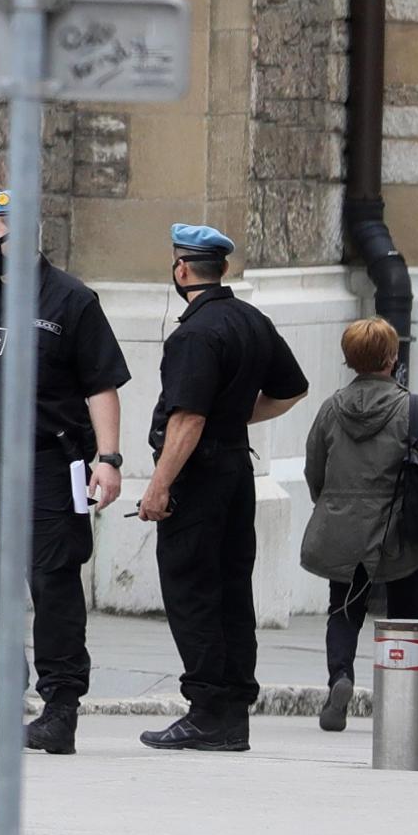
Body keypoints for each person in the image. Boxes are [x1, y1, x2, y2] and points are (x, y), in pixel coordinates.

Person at [0, 189, 131, 756]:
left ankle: (60, 708)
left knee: (52, 583)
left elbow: (101, 386)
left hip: (48, 469)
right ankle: (2, 703)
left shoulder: (71, 300)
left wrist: (108, 459)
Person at [138, 224, 308, 751]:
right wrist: (232, 418)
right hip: (236, 470)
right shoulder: (252, 320)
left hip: (200, 476)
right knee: (234, 589)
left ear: (181, 269)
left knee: (192, 590)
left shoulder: (194, 334)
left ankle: (207, 707)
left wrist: (158, 486)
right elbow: (291, 391)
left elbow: (187, 419)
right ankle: (232, 711)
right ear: (223, 270)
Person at [301, 317, 418, 732]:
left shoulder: (331, 407)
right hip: (401, 532)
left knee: (343, 611)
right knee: (405, 615)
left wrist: (332, 505)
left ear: (350, 359)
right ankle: (401, 706)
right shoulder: (413, 409)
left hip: (343, 528)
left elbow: (315, 469)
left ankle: (340, 679)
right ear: (391, 357)